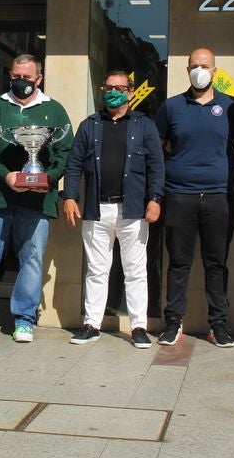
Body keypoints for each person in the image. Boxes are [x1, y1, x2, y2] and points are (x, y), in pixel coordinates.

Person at [0, 54, 71, 342]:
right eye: (16, 77)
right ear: (10, 75)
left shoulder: (53, 111)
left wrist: (48, 178)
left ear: (39, 79)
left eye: (27, 78)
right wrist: (7, 176)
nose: (21, 82)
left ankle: (24, 319)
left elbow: (64, 152)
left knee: (32, 257)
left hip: (37, 200)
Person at [61, 70, 164, 349]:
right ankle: (91, 324)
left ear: (130, 92)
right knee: (96, 270)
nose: (113, 91)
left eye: (119, 87)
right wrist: (69, 196)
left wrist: (155, 198)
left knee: (135, 270)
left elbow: (156, 165)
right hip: (97, 209)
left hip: (132, 210)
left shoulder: (144, 125)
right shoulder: (90, 125)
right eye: (108, 87)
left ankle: (138, 327)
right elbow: (73, 164)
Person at [153, 48, 234, 346]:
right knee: (179, 262)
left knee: (216, 263)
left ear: (215, 71)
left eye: (204, 66)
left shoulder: (231, 106)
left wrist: (223, 170)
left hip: (219, 197)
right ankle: (173, 321)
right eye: (194, 66)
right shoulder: (171, 107)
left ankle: (219, 324)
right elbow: (158, 148)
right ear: (186, 69)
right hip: (179, 195)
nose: (199, 70)